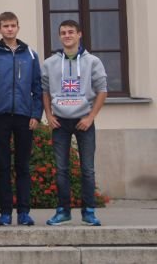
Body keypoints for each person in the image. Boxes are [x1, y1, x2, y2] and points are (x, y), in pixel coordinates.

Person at [43, 20, 107, 227]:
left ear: (79, 34)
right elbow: (44, 91)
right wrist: (49, 115)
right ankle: (63, 211)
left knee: (87, 169)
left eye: (71, 32)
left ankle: (89, 212)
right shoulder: (50, 63)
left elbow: (102, 90)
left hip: (84, 121)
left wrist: (90, 117)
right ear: (59, 36)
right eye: (63, 32)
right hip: (60, 122)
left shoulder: (93, 62)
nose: (67, 35)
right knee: (61, 169)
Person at [0, 12, 43, 227]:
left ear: (18, 27)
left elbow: (38, 87)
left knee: (23, 166)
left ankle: (24, 212)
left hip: (24, 117)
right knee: (2, 166)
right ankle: (5, 213)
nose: (9, 29)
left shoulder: (30, 55)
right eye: (5, 26)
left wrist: (36, 114)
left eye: (12, 25)